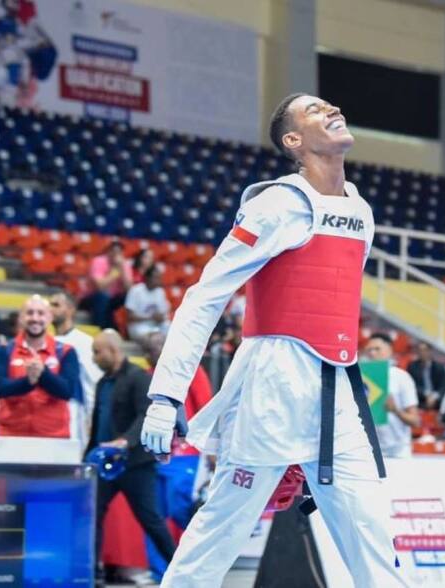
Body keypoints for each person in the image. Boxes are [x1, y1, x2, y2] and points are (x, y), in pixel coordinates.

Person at [140, 93, 403, 587]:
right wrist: (165, 394)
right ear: (294, 141)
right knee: (218, 533)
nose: (330, 109)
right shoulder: (277, 204)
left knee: (375, 543)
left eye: (329, 104)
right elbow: (205, 297)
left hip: (339, 391)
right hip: (271, 386)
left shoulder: (361, 211)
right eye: (313, 111)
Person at [88, 329, 177, 582]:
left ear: (114, 351)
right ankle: (95, 574)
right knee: (93, 515)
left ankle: (181, 573)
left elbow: (145, 415)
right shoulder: (102, 383)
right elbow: (98, 424)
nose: (94, 357)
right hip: (106, 465)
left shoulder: (138, 378)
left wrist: (125, 441)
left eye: (98, 351)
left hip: (135, 464)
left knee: (151, 520)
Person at [144, 331, 213, 580]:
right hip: (154, 457)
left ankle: (197, 565)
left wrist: (212, 449)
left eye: (162, 345)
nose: (157, 351)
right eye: (152, 348)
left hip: (186, 454)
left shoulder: (191, 372)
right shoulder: (147, 378)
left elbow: (206, 406)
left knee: (181, 509)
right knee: (155, 516)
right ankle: (158, 574)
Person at [0, 295, 82, 438]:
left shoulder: (66, 351)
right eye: (29, 313)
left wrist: (43, 373)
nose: (35, 318)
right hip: (11, 436)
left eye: (41, 313)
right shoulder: (5, 349)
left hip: (54, 437)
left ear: (50, 317)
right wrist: (27, 382)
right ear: (21, 318)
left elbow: (67, 391)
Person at [50, 291, 104, 448]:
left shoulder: (84, 342)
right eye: (50, 305)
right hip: (51, 410)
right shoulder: (46, 341)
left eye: (56, 305)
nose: (51, 309)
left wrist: (92, 419)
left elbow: (93, 383)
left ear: (71, 309)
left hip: (74, 411)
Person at [363, 332, 420, 458]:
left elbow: (415, 421)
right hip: (369, 449)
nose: (372, 353)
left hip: (398, 450)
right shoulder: (361, 377)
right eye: (369, 349)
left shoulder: (401, 377)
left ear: (389, 350)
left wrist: (395, 410)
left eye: (377, 349)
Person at [86, 240, 134, 329]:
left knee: (129, 297)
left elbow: (129, 289)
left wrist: (122, 270)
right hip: (93, 297)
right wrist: (115, 272)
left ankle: (127, 330)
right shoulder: (98, 261)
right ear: (108, 252)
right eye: (113, 251)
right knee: (103, 297)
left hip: (113, 299)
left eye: (119, 252)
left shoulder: (125, 264)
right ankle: (100, 329)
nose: (116, 254)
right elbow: (100, 287)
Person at [125, 265, 170, 343]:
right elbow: (130, 316)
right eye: (155, 278)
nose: (158, 280)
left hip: (156, 325)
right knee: (155, 340)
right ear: (147, 278)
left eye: (159, 278)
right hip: (140, 326)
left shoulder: (160, 291)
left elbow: (163, 312)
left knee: (172, 331)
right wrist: (150, 317)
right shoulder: (135, 290)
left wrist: (160, 317)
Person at [406, 341, 445, 409]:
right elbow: (412, 384)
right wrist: (426, 394)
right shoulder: (412, 366)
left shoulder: (439, 367)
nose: (422, 353)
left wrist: (434, 396)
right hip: (420, 398)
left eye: (425, 350)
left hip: (437, 399)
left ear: (430, 351)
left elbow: (444, 385)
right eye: (419, 350)